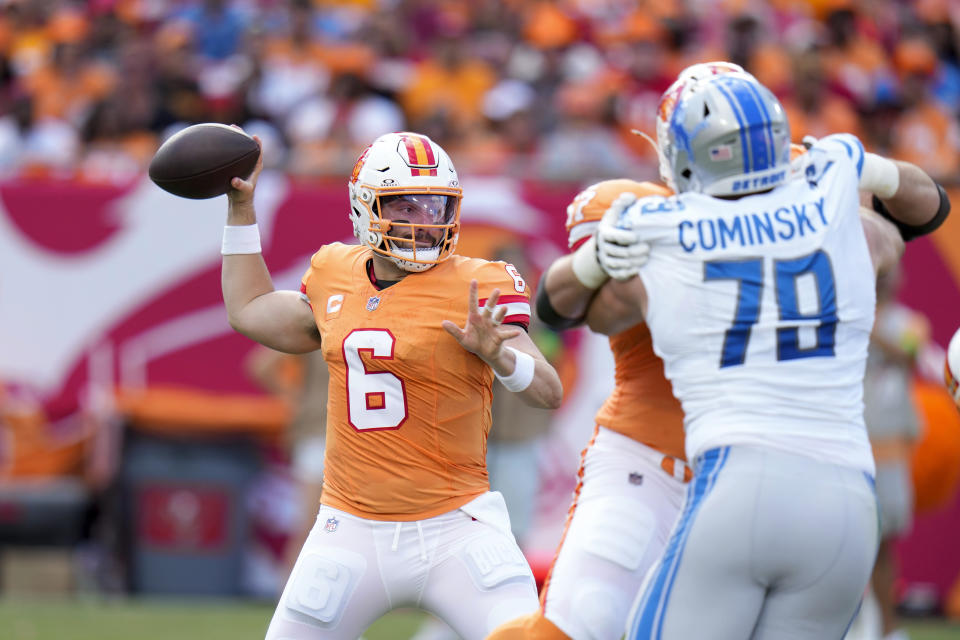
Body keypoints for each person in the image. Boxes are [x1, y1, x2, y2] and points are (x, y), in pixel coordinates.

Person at [569, 70, 948, 639]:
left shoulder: (655, 220)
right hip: (835, 480)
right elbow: (897, 234)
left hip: (734, 470)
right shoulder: (817, 200)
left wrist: (599, 262)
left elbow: (590, 310)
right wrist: (851, 178)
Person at [220, 130, 563, 639]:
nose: (425, 223)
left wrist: (500, 355)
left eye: (436, 207)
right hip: (350, 526)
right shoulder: (336, 273)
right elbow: (250, 311)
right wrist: (240, 211)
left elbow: (548, 390)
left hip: (457, 525)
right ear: (365, 207)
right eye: (406, 206)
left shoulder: (479, 281)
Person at [486, 62, 742, 640]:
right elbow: (568, 309)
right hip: (650, 455)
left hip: (753, 465)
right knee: (584, 615)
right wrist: (600, 260)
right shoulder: (640, 209)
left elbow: (920, 210)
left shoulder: (801, 208)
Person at [853, 266, 930, 640]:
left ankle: (888, 629)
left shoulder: (911, 324)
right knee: (846, 544)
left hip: (889, 453)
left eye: (890, 273)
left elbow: (908, 355)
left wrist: (864, 326)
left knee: (882, 546)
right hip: (851, 447)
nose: (885, 279)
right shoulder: (848, 321)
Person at [245, 346, 330, 582]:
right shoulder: (320, 327)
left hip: (355, 437)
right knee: (311, 526)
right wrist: (295, 398)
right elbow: (261, 366)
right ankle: (286, 599)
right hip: (319, 434)